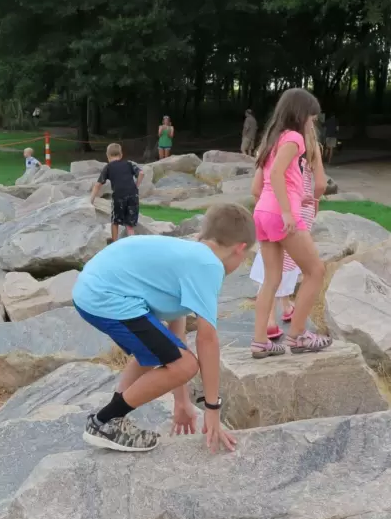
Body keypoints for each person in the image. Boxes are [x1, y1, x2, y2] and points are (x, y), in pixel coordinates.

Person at [71, 203, 256, 453]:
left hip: (92, 289)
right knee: (187, 364)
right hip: (106, 296)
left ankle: (115, 418)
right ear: (240, 249)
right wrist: (213, 408)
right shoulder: (209, 265)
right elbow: (207, 340)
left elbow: (173, 338)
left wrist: (181, 402)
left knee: (156, 354)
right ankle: (104, 421)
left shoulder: (189, 253)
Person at [249, 88, 332, 357]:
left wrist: (302, 198)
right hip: (280, 215)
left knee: (271, 279)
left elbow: (278, 181)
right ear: (301, 114)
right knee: (315, 271)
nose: (313, 123)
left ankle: (260, 341)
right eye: (311, 117)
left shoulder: (274, 138)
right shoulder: (296, 138)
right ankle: (297, 336)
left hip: (262, 212)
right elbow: (276, 174)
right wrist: (288, 212)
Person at [90, 143, 144, 243]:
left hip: (119, 195)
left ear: (107, 155)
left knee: (115, 221)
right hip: (133, 195)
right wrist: (136, 185)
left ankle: (115, 243)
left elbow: (98, 185)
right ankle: (132, 242)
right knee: (129, 223)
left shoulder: (108, 167)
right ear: (121, 154)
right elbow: (141, 173)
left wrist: (91, 200)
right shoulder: (128, 164)